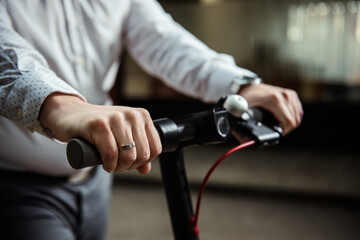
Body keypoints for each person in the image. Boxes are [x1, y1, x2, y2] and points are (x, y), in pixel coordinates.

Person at [0, 0, 303, 239]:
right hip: (18, 187)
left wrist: (239, 86)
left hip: (94, 183)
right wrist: (62, 105)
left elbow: (163, 39)